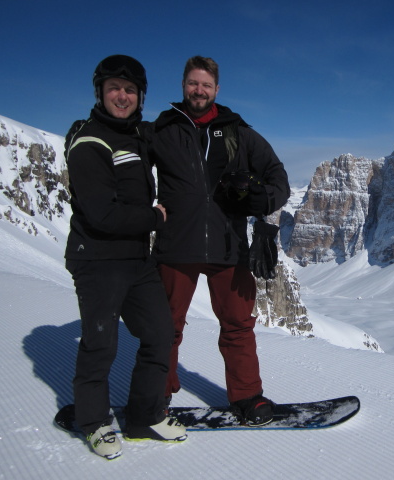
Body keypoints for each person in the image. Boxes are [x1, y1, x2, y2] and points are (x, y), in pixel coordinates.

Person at [145, 56, 290, 426]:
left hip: (230, 246)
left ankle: (247, 398)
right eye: (193, 83)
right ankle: (156, 396)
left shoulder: (238, 132)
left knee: (239, 325)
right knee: (166, 326)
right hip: (177, 245)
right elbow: (126, 159)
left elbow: (277, 176)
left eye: (205, 85)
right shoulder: (163, 129)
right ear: (183, 85)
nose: (199, 90)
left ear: (216, 90)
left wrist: (264, 203)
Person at [64, 54, 187, 459]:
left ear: (140, 97)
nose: (122, 95)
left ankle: (143, 416)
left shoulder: (135, 136)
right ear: (100, 92)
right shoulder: (89, 141)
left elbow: (166, 139)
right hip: (97, 258)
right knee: (101, 344)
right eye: (114, 87)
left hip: (136, 258)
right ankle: (95, 423)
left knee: (159, 333)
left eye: (130, 90)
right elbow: (101, 213)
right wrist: (154, 217)